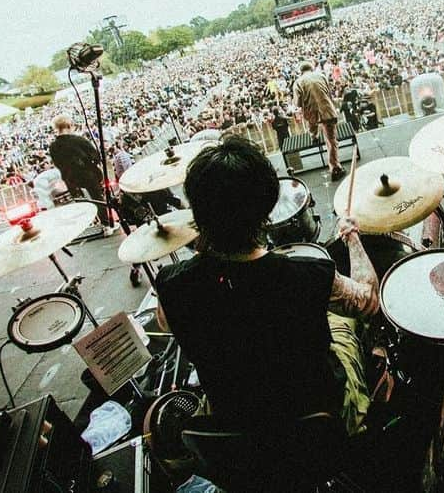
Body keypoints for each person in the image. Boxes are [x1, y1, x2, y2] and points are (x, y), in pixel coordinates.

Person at [154, 137, 376, 435]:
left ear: (197, 212)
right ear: (267, 208)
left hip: (235, 427)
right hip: (315, 425)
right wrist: (351, 236)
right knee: (343, 326)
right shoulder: (310, 276)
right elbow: (368, 302)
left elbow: (168, 323)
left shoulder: (172, 284)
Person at [48, 115, 113, 231]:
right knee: (97, 199)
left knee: (81, 203)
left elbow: (57, 164)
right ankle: (106, 225)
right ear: (69, 125)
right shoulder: (79, 140)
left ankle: (88, 226)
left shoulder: (53, 147)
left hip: (70, 178)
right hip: (89, 175)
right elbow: (96, 157)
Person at [292, 61, 345, 180]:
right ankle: (335, 167)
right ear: (312, 68)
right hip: (327, 110)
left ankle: (313, 136)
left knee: (311, 121)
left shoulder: (298, 82)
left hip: (311, 114)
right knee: (331, 141)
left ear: (301, 71)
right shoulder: (321, 76)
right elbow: (329, 93)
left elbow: (298, 103)